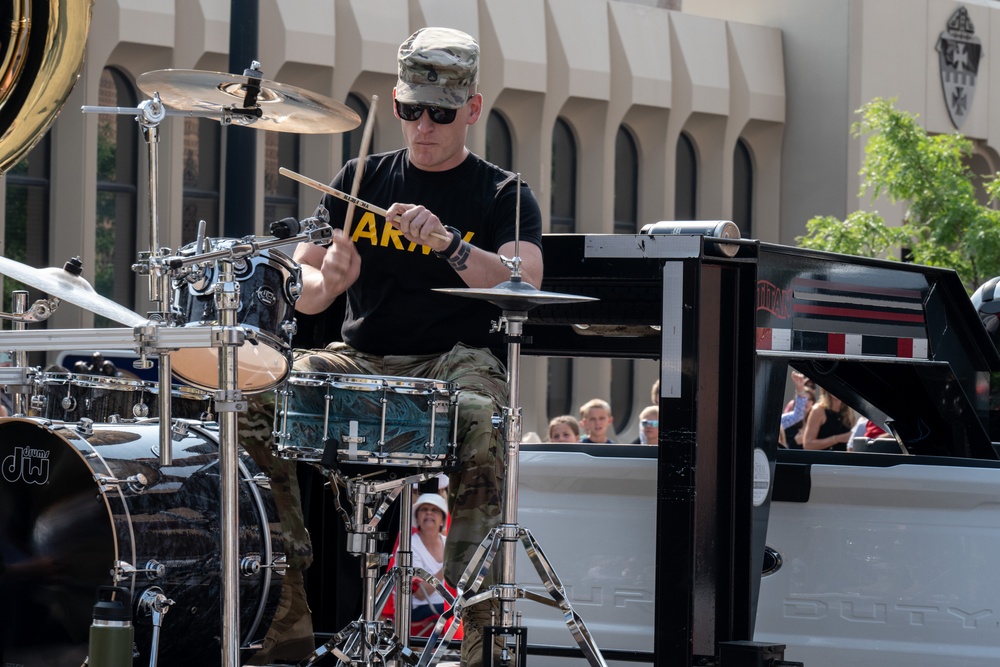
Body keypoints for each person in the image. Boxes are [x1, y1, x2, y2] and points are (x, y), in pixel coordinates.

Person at [240, 26, 543, 667]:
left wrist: (452, 247)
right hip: (361, 358)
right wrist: (331, 281)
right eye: (410, 110)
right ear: (396, 104)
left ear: (473, 110)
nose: (422, 126)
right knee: (255, 391)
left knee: (484, 418)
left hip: (454, 361)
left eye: (440, 113)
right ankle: (284, 610)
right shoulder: (360, 178)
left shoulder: (502, 195)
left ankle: (477, 627)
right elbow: (306, 289)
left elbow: (525, 282)